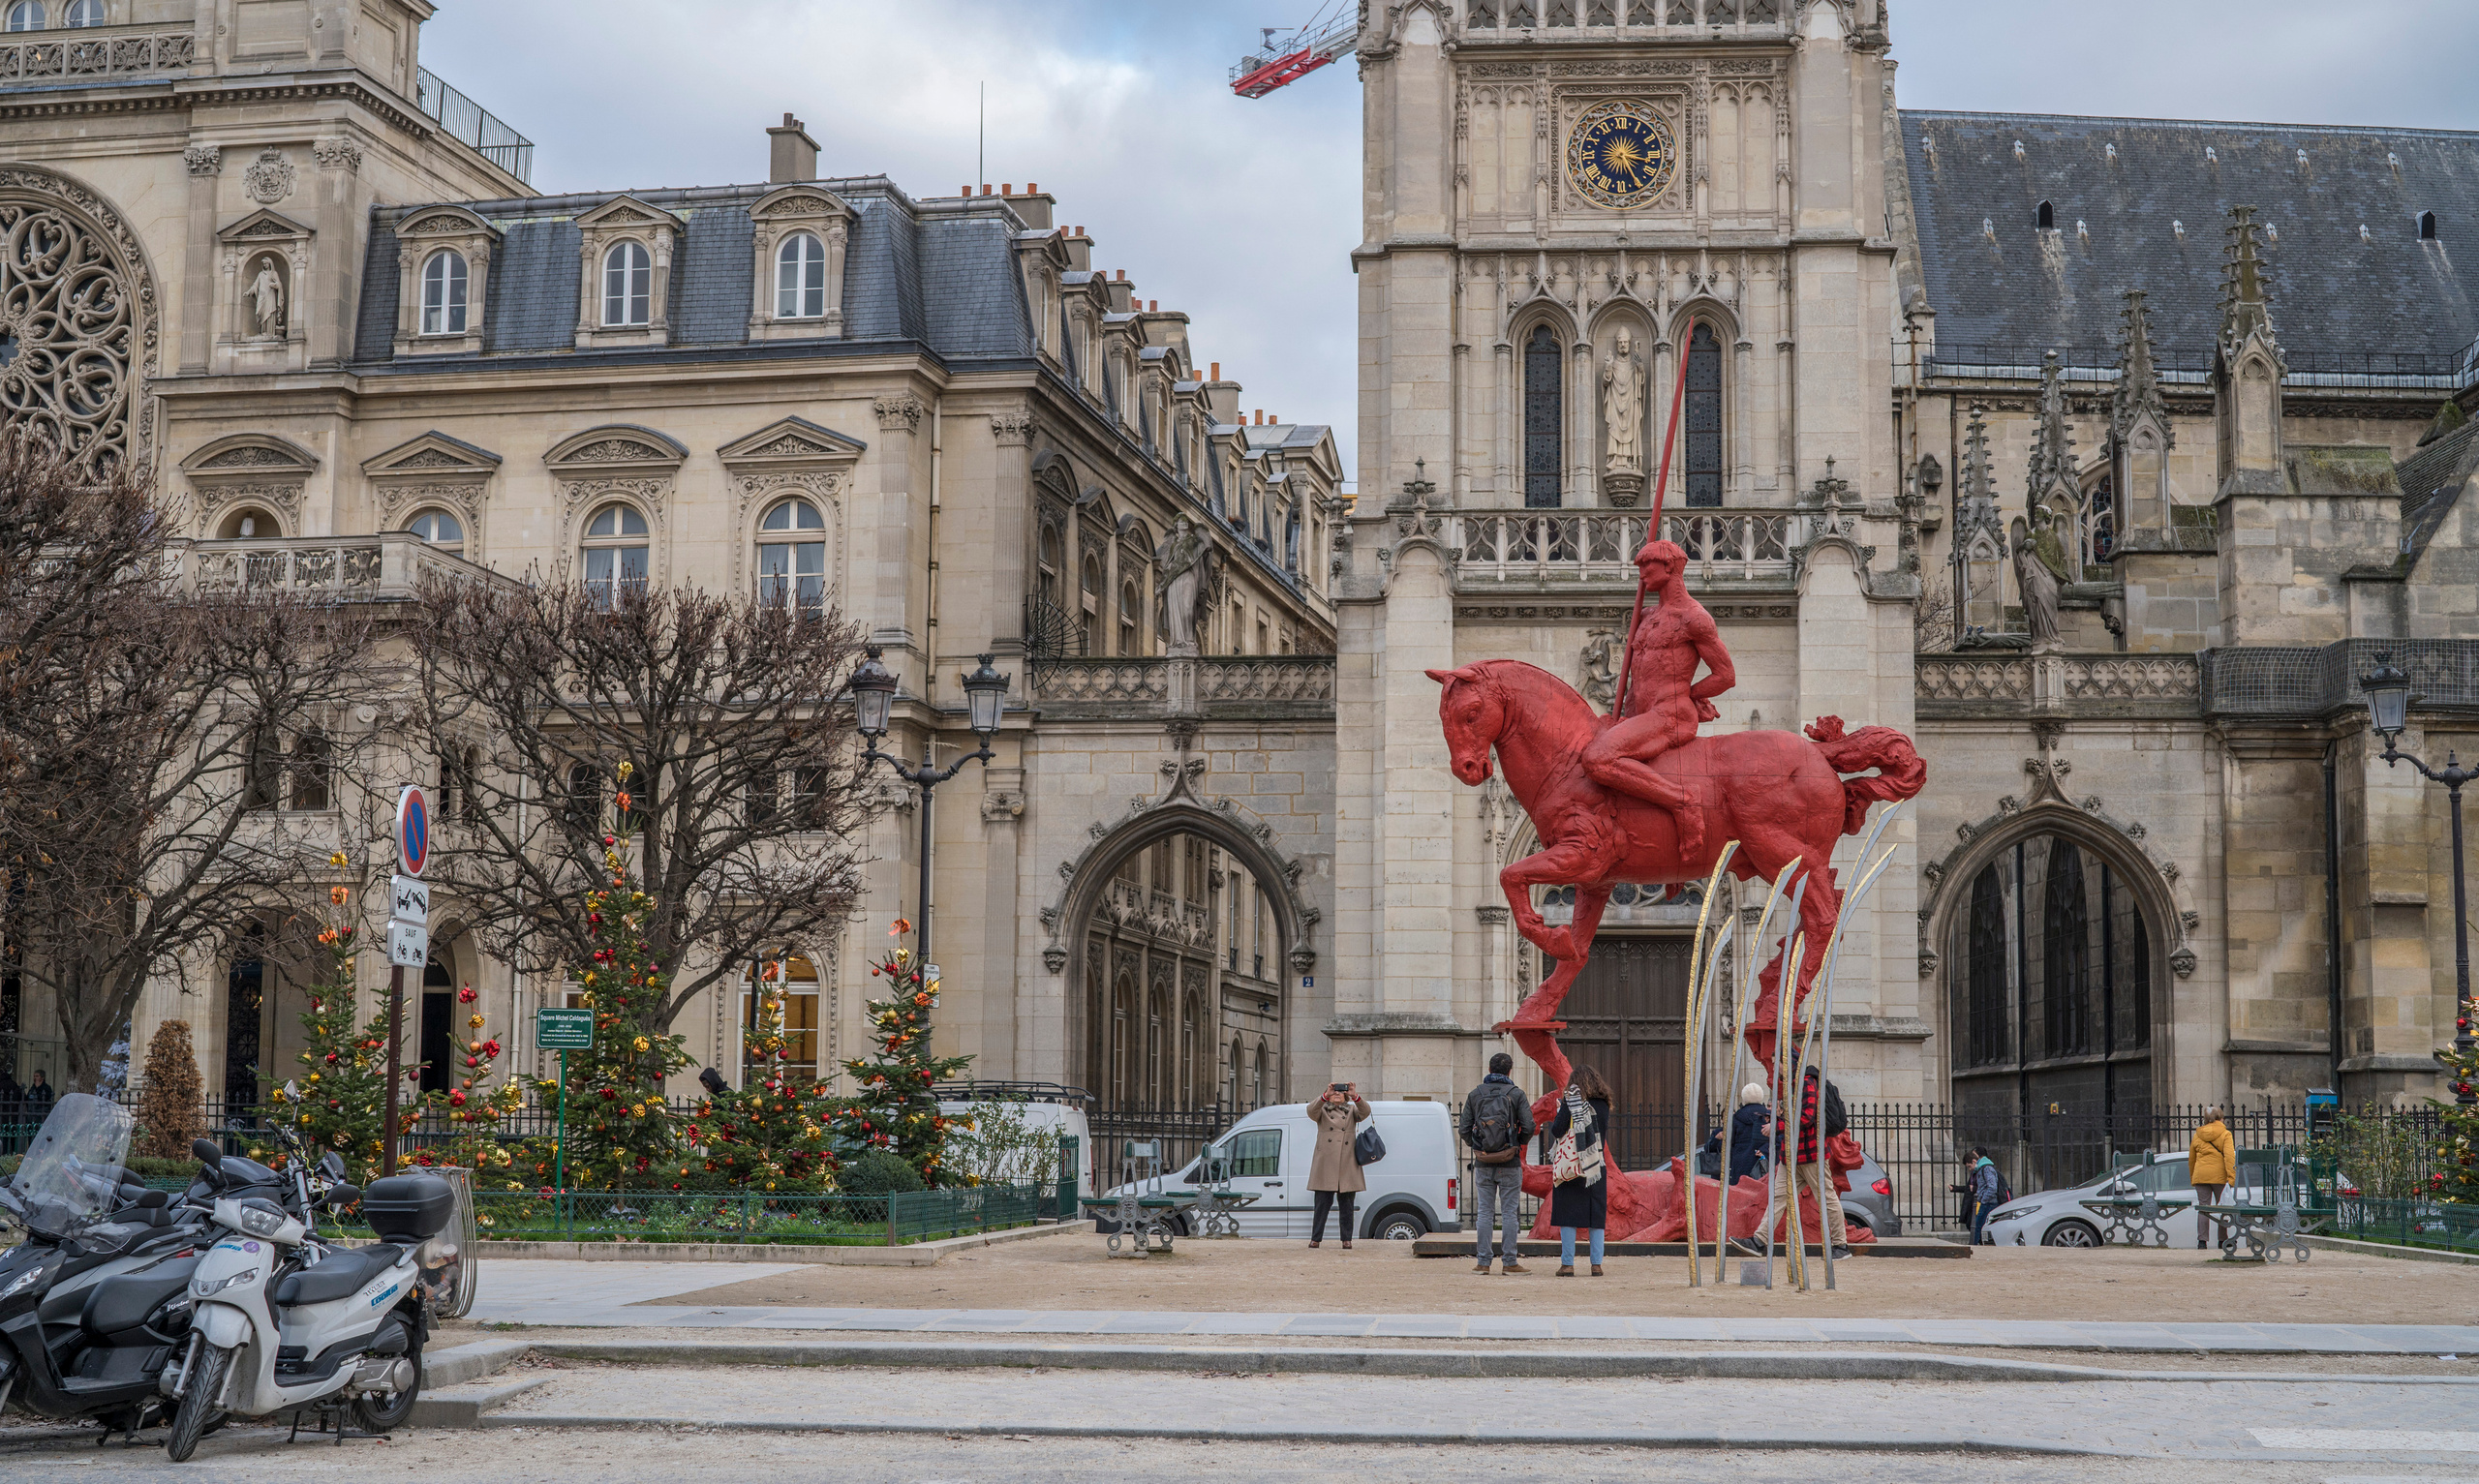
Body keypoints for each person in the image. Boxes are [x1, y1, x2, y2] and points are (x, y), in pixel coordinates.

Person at [1577, 538, 1734, 858]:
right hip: (1645, 717)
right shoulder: (1646, 616)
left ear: (1670, 567)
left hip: (1672, 715)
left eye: (1647, 564)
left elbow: (1725, 676)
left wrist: (1688, 695)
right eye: (1639, 565)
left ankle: (1684, 802)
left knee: (1597, 759)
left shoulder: (1694, 618)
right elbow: (1639, 678)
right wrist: (1625, 717)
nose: (1641, 572)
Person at [1737, 1065, 1850, 1260]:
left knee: (1826, 1197)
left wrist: (1777, 1125)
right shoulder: (1792, 1084)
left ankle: (1841, 1244)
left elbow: (1805, 1118)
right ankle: (1759, 1241)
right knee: (1778, 1197)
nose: (1775, 1067)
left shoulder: (1806, 1082)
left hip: (1810, 1153)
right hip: (1792, 1155)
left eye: (1777, 1062)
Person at [1460, 1051, 1537, 1275]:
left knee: (1484, 1212)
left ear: (1489, 1070)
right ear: (1509, 1071)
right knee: (1509, 1213)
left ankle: (1483, 1263)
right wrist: (1517, 1145)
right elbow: (1530, 1126)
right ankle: (1510, 1262)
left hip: (1483, 1163)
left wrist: (1477, 1147)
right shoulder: (1516, 1094)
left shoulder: (1476, 1094)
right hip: (1510, 1162)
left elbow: (1464, 1129)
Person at [1547, 1065, 1612, 1277]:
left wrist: (1562, 1110)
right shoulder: (1603, 1105)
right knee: (1596, 1215)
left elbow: (1557, 1130)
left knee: (1568, 1215)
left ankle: (1567, 1264)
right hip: (1595, 1164)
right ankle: (1596, 1264)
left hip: (1572, 1165)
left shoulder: (1571, 1101)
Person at [1305, 1081, 1372, 1250]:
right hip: (1326, 1163)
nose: (1336, 1094)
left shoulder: (1351, 1111)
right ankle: (1315, 1239)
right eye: (1334, 1092)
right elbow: (1310, 1111)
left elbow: (1366, 1112)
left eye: (1340, 1092)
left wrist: (1355, 1095)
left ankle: (1346, 1239)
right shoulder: (1322, 1110)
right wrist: (1324, 1095)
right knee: (1321, 1205)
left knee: (1347, 1206)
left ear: (1345, 1096)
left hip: (1347, 1163)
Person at [1701, 1081, 1770, 1185]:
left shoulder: (1737, 1117)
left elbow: (1730, 1140)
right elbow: (1777, 1139)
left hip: (1740, 1163)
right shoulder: (1767, 1116)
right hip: (1762, 1163)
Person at [2189, 1105, 2236, 1251]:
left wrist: (2193, 1177)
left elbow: (2192, 1159)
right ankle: (2222, 1240)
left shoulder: (2198, 1134)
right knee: (2222, 1207)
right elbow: (2229, 1157)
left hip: (2201, 1175)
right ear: (2220, 1118)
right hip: (2219, 1176)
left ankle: (2202, 1241)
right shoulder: (2225, 1134)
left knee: (2204, 1208)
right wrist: (2231, 1177)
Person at [1956, 1146, 2003, 1245]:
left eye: (1969, 1166)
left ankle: (1973, 1246)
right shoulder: (1983, 1168)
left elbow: (1992, 1187)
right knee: (1978, 1226)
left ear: (1974, 1161)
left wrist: (1983, 1200)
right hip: (1986, 1201)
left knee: (1978, 1226)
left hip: (1988, 1202)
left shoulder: (1986, 1168)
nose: (1969, 1169)